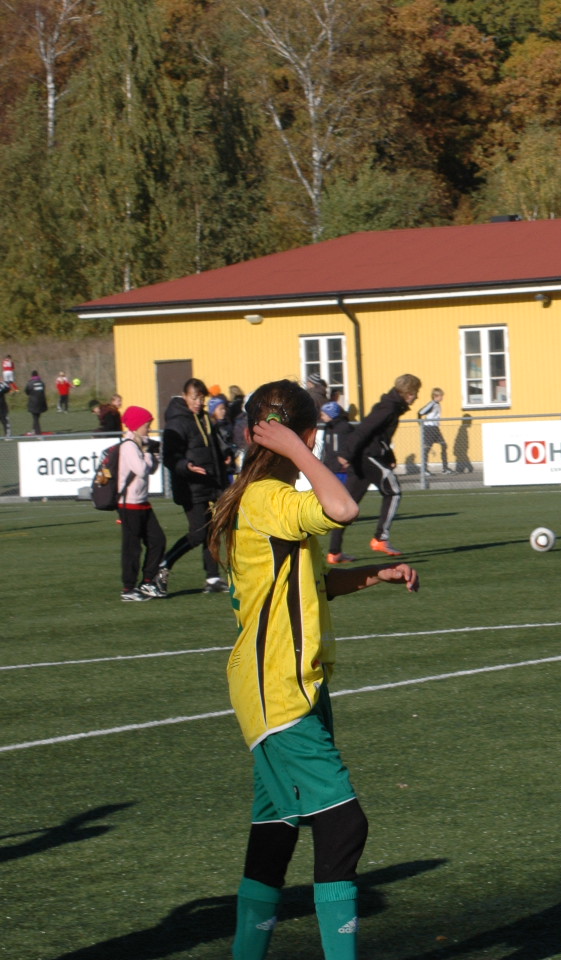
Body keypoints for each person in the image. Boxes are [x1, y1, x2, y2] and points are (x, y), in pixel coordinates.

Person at [206, 379, 418, 960]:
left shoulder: (261, 498)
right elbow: (343, 507)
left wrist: (374, 574)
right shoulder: (266, 498)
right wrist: (302, 451)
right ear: (303, 435)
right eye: (310, 437)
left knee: (276, 830)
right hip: (277, 687)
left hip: (292, 683)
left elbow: (311, 583)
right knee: (344, 825)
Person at [328, 374, 420, 562]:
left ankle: (334, 553)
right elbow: (364, 430)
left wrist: (390, 457)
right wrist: (346, 454)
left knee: (348, 507)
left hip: (364, 457)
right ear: (409, 393)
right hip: (367, 457)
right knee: (393, 491)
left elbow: (379, 437)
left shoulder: (391, 406)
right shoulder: (388, 408)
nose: (417, 397)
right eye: (416, 392)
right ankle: (380, 539)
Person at [160, 378, 231, 594]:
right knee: (198, 533)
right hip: (190, 487)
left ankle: (213, 578)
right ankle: (164, 563)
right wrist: (186, 466)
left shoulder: (205, 419)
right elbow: (169, 457)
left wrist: (225, 457)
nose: (198, 402)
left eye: (201, 398)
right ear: (184, 396)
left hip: (210, 484)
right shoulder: (177, 422)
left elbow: (214, 450)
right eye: (194, 398)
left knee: (212, 531)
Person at [117, 406, 168, 602]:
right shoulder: (129, 446)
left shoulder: (140, 444)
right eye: (147, 424)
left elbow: (151, 469)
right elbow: (140, 469)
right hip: (129, 504)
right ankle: (128, 588)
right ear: (137, 425)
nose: (149, 428)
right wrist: (147, 453)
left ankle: (147, 581)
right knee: (132, 548)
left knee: (158, 540)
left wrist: (155, 455)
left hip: (142, 502)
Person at [417, 387, 449, 474]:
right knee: (427, 449)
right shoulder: (432, 404)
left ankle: (445, 468)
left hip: (436, 428)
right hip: (429, 428)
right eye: (441, 396)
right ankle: (424, 470)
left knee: (444, 445)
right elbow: (420, 412)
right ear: (435, 396)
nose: (442, 397)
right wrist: (421, 424)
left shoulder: (438, 404)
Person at [24, 370, 46, 435]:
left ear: (32, 376)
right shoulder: (41, 382)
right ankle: (34, 430)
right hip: (41, 402)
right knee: (37, 417)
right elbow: (43, 390)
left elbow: (26, 391)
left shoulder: (30, 383)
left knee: (35, 418)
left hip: (34, 402)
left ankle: (38, 433)